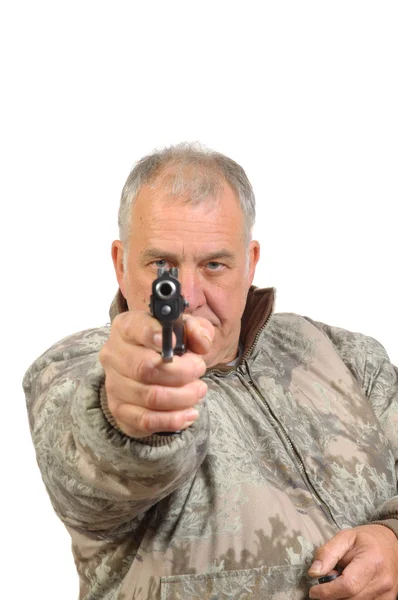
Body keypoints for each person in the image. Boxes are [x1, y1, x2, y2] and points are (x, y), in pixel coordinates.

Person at [23, 143, 398, 600]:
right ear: (121, 265)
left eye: (214, 265)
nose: (188, 295)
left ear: (250, 262)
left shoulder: (348, 356)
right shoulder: (73, 370)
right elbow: (94, 463)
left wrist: (393, 541)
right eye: (162, 265)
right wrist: (129, 415)